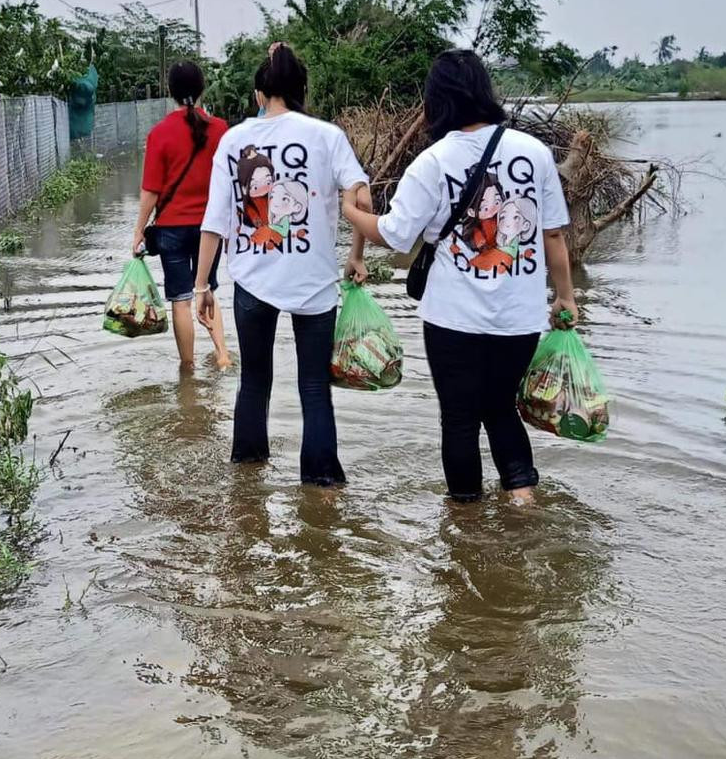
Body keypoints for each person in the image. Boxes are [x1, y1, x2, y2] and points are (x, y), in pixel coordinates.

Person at [342, 50, 576, 506]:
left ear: (437, 101)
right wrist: (564, 296)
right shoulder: (535, 152)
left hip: (453, 319)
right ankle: (523, 504)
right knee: (501, 409)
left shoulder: (432, 161)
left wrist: (350, 211)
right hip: (520, 317)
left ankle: (466, 530)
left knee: (460, 420)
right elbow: (552, 235)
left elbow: (393, 234)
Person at [195, 43, 370, 486]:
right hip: (314, 283)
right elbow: (362, 197)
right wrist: (355, 256)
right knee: (314, 389)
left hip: (253, 282)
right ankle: (322, 486)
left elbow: (214, 221)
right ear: (301, 89)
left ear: (258, 94)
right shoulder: (327, 136)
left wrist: (202, 285)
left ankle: (247, 481)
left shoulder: (233, 140)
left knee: (253, 382)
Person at [132, 61, 231, 370]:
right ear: (202, 89)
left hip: (172, 228)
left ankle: (187, 370)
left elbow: (150, 190)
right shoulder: (221, 130)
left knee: (181, 299)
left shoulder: (159, 133)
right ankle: (223, 356)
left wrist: (138, 231)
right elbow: (231, 183)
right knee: (208, 289)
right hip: (210, 229)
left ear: (170, 92)